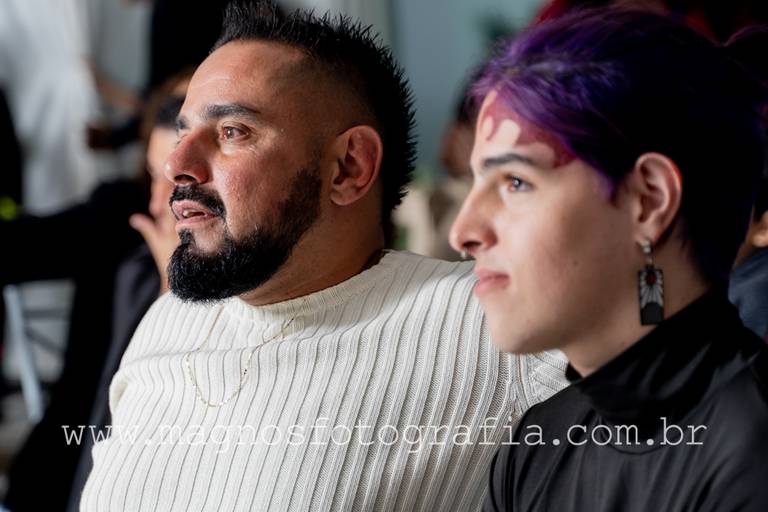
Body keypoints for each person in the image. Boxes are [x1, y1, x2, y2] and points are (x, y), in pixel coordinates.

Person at [80, 2, 568, 511]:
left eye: (232, 132)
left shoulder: (476, 320)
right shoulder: (166, 319)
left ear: (348, 168)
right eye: (183, 134)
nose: (175, 165)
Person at [449, 8, 768, 511]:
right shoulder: (535, 447)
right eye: (475, 182)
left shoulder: (754, 450)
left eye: (515, 182)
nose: (462, 232)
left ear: (648, 200)